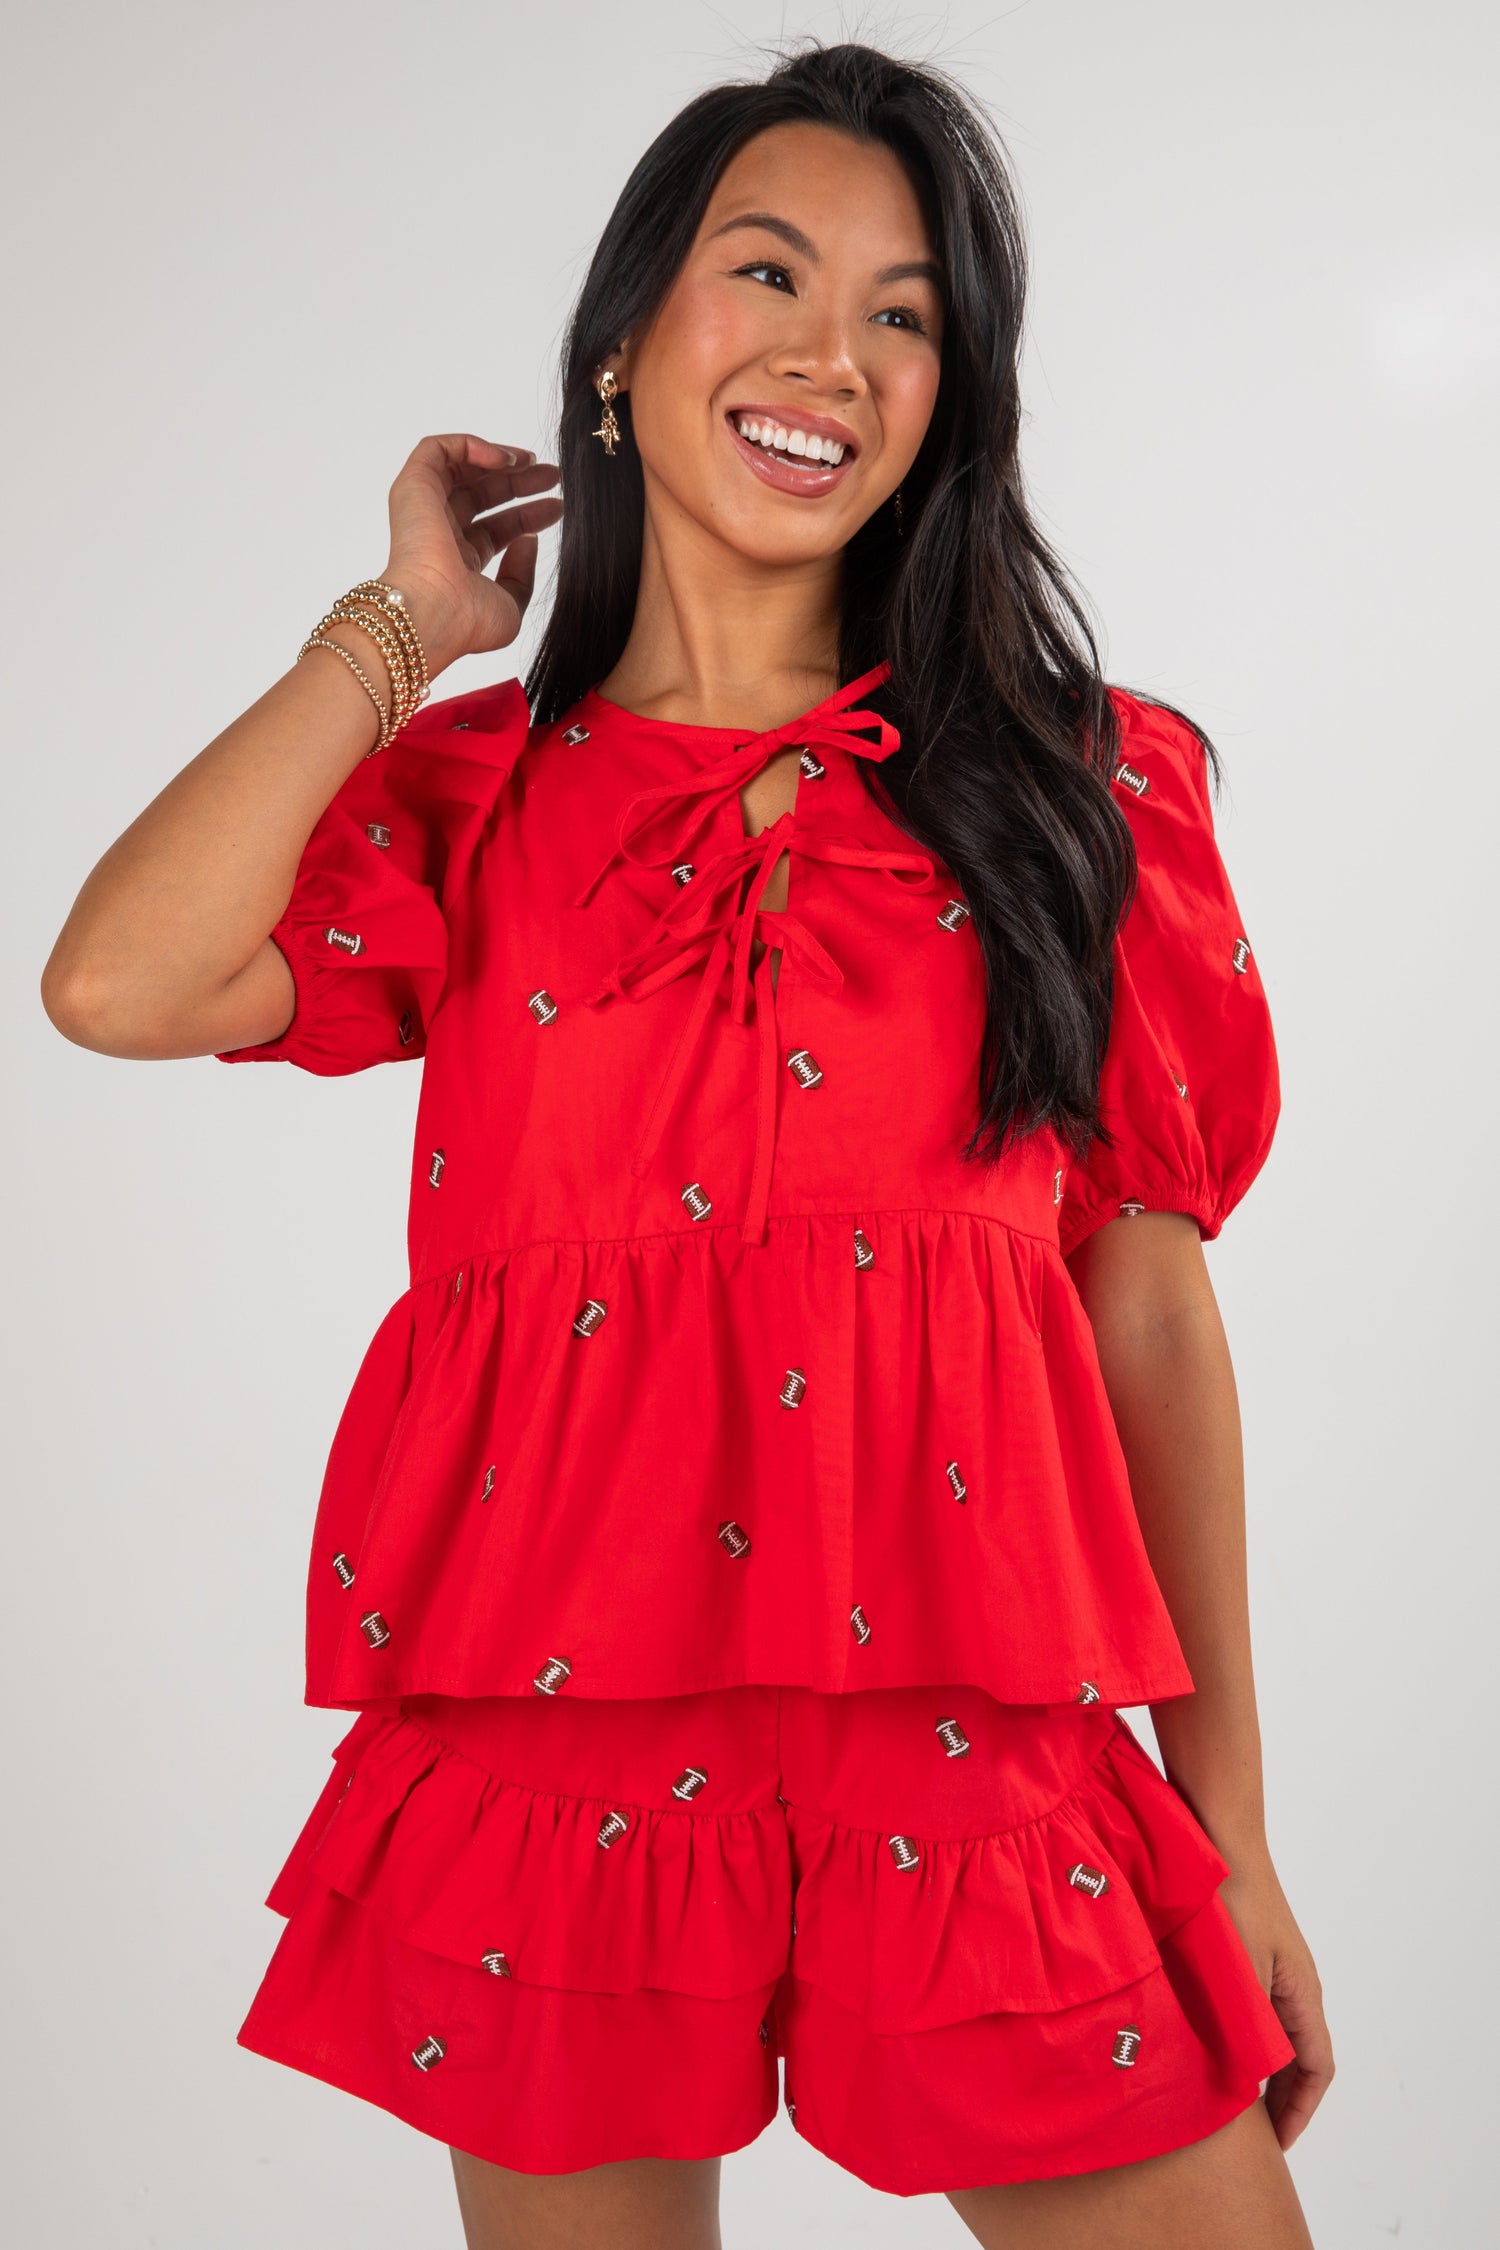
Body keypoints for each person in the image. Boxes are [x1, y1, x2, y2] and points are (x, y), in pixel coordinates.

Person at [40, 38, 1332, 2250]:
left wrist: (1227, 1826)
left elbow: (1152, 1315)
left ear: (951, 397)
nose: (837, 349)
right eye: (771, 272)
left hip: (975, 1753)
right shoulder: (471, 805)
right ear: (628, 344)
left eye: (909, 312)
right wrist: (403, 631)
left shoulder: (1071, 792)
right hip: (556, 1754)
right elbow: (116, 984)